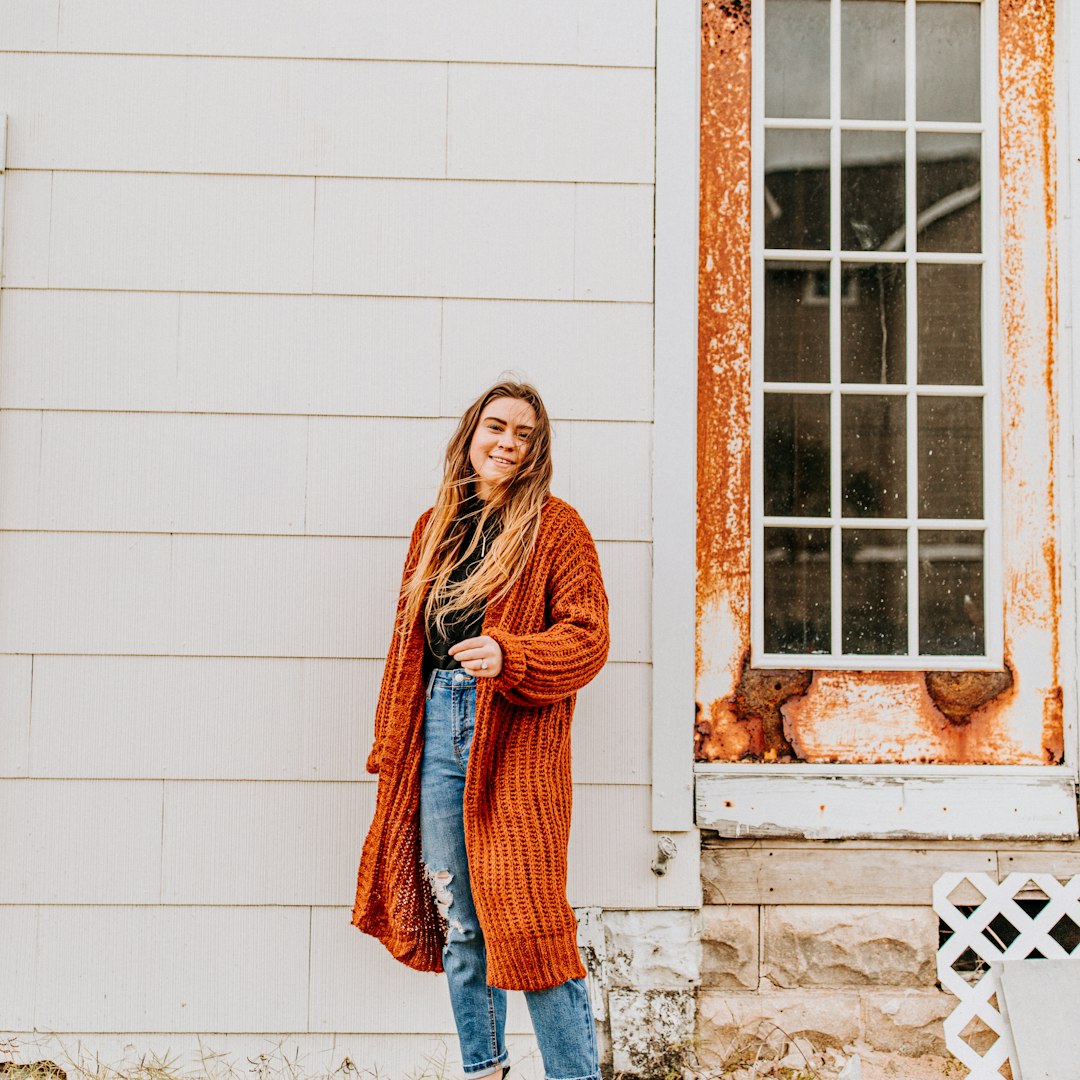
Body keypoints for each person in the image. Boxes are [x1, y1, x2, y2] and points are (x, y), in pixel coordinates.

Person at [352, 379, 610, 1080]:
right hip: (435, 729)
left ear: (537, 452)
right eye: (497, 427)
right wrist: (393, 744)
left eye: (524, 435)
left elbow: (589, 639)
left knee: (530, 922)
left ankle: (574, 1075)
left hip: (515, 738)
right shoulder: (433, 527)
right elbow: (407, 649)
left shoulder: (558, 529)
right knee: (459, 921)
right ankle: (484, 1068)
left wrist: (512, 654)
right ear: (471, 434)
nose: (508, 443)